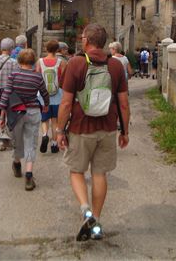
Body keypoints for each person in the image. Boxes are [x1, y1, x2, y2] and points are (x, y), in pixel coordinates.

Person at [56, 24, 130, 241]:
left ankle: (85, 209)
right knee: (99, 174)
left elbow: (66, 103)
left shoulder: (76, 63)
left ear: (86, 40)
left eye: (82, 37)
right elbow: (124, 104)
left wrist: (60, 130)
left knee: (76, 171)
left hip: (80, 129)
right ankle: (95, 220)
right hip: (107, 129)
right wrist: (124, 131)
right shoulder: (115, 66)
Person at [0, 49, 50, 191]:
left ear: (19, 61)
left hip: (16, 112)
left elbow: (6, 95)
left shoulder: (13, 75)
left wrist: (2, 117)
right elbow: (44, 93)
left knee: (17, 140)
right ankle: (29, 174)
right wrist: (46, 105)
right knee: (31, 142)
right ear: (33, 62)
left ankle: (16, 163)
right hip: (33, 111)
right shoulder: (37, 77)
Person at [35, 40, 67, 154]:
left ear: (46, 48)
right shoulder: (61, 62)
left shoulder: (40, 62)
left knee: (44, 119)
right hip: (57, 94)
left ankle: (44, 135)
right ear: (57, 49)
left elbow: (37, 76)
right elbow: (64, 78)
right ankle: (54, 144)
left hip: (43, 96)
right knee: (55, 121)